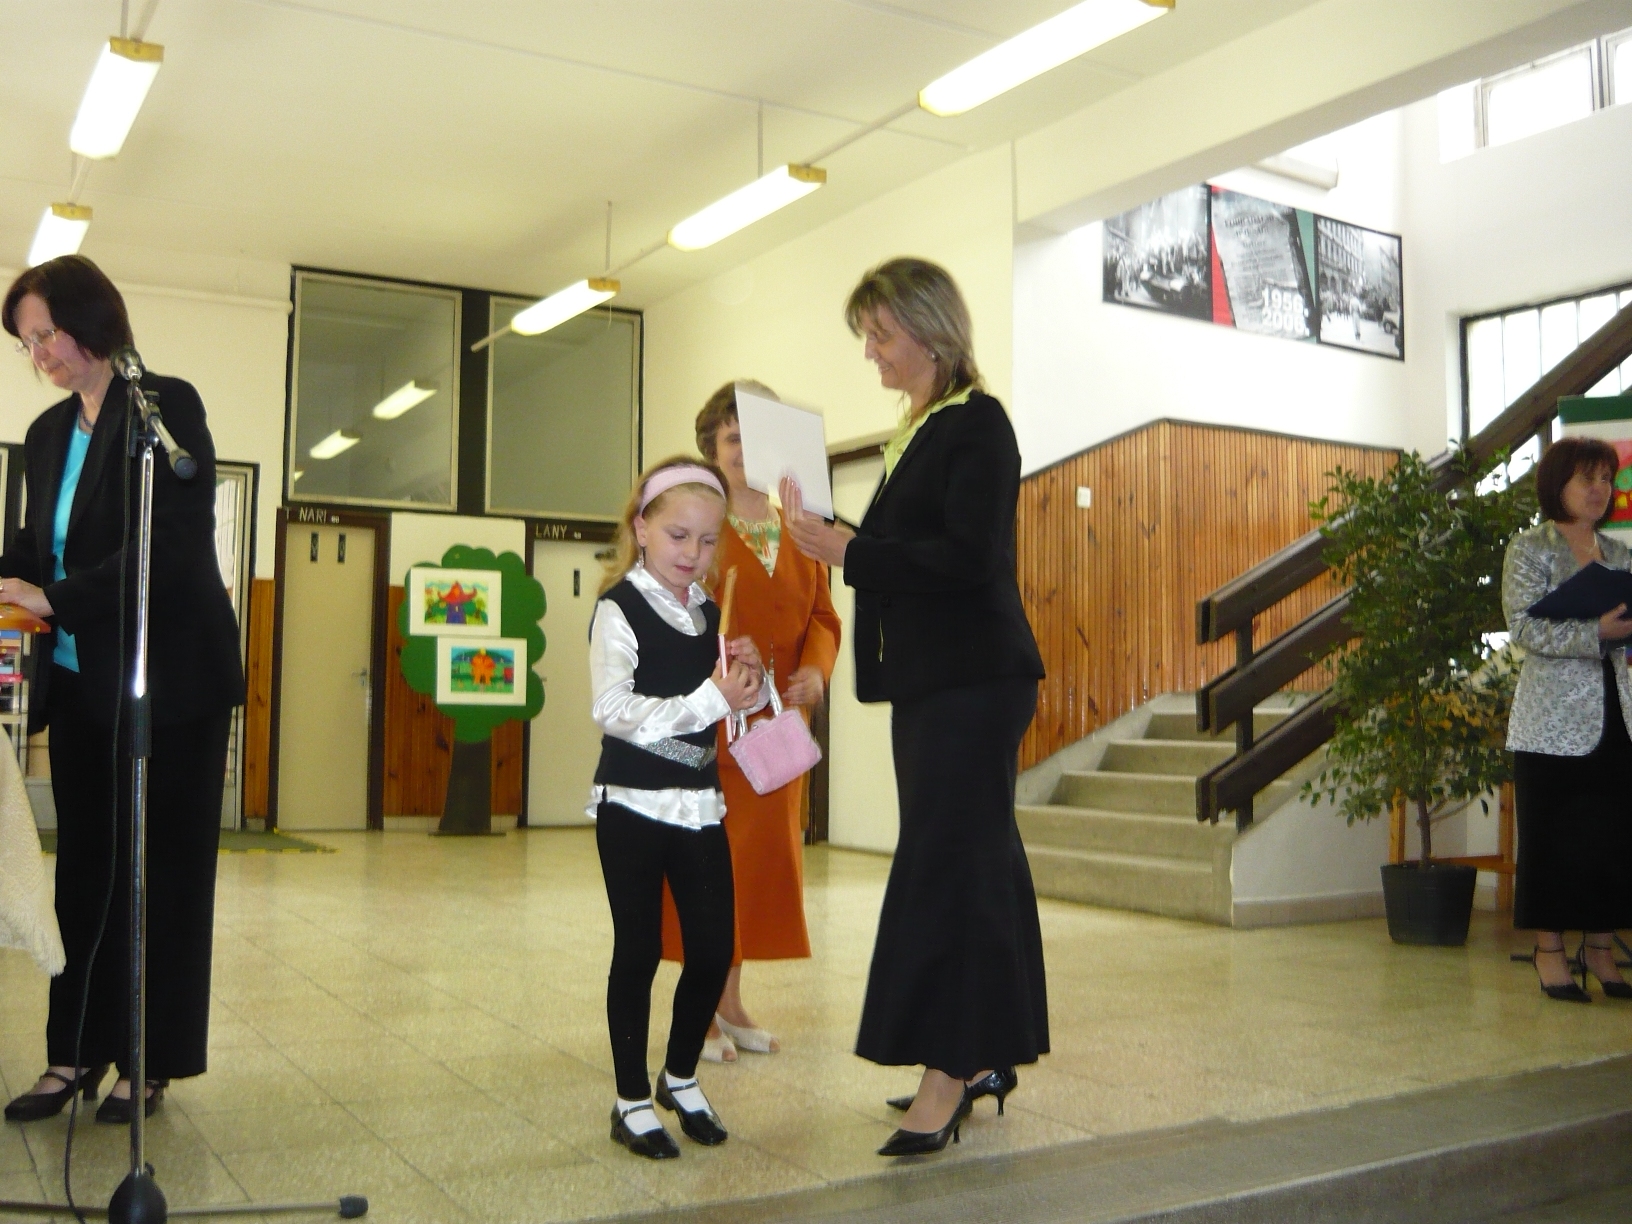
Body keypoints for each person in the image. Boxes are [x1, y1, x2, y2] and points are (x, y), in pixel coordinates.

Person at [784, 257, 1049, 1157]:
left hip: (976, 680)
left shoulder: (979, 425)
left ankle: (948, 1071)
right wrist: (837, 541)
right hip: (938, 680)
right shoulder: (919, 430)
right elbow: (912, 550)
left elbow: (970, 558)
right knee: (982, 860)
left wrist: (850, 553)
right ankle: (985, 1055)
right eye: (867, 336)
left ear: (933, 336)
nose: (871, 352)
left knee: (948, 865)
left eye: (882, 335)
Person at [1, 255, 244, 1124]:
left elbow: (169, 549)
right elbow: (35, 550)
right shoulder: (45, 435)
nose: (39, 355)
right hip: (80, 683)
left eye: (46, 334)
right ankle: (75, 1052)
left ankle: (152, 1062)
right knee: (85, 872)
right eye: (27, 343)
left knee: (166, 876)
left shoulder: (163, 408)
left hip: (171, 686)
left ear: (90, 320)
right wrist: (19, 584)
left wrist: (55, 598)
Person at [657, 381, 842, 1062]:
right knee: (706, 869)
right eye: (732, 438)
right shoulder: (697, 525)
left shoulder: (802, 529)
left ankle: (729, 1003)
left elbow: (823, 617)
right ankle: (696, 1010)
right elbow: (668, 613)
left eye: (756, 437)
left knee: (758, 869)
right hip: (711, 727)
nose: (744, 450)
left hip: (777, 733)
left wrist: (816, 671)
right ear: (711, 448)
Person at [589, 457, 768, 1160]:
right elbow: (613, 710)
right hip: (631, 804)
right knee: (638, 951)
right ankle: (631, 1099)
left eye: (707, 539)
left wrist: (749, 684)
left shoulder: (708, 612)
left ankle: (681, 1076)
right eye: (677, 536)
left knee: (713, 948)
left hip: (698, 804)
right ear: (641, 529)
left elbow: (722, 715)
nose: (693, 553)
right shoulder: (618, 608)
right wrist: (709, 698)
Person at [1502, 435, 1632, 1003]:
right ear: (1559, 484)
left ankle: (1600, 951)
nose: (1600, 490)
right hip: (1551, 721)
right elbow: (1523, 628)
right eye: (1588, 479)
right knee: (1551, 839)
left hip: (1619, 713)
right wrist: (1594, 631)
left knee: (1612, 838)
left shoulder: (1620, 554)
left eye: (1606, 479)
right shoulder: (1530, 548)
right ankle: (1549, 952)